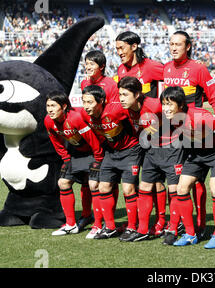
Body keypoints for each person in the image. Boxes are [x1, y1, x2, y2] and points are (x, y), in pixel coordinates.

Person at [163, 30, 215, 238]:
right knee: (176, 178)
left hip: (195, 133)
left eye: (178, 44)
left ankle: (201, 222)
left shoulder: (198, 68)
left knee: (196, 181)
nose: (174, 48)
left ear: (188, 47)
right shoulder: (167, 68)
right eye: (171, 44)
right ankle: (177, 222)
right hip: (174, 132)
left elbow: (213, 96)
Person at [160, 86, 215, 248]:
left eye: (170, 104)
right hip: (196, 153)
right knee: (181, 188)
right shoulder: (171, 117)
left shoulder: (201, 117)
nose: (166, 108)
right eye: (164, 104)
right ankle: (190, 234)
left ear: (181, 105)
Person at [118, 76, 183, 241]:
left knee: (174, 189)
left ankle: (172, 226)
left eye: (125, 95)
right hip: (151, 150)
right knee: (146, 186)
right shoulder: (124, 109)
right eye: (120, 94)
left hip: (171, 149)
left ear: (137, 94)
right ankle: (143, 229)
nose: (121, 99)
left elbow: (179, 116)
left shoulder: (155, 105)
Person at [115, 31, 168, 235]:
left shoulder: (152, 66)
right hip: (135, 134)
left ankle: (161, 221)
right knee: (137, 179)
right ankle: (138, 221)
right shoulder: (121, 69)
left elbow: (172, 83)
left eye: (122, 48)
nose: (119, 52)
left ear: (134, 46)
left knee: (155, 180)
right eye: (117, 48)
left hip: (156, 132)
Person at [80, 85, 142, 240]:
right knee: (103, 187)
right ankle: (110, 227)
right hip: (111, 152)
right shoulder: (84, 115)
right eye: (84, 102)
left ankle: (132, 227)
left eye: (90, 102)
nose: (86, 107)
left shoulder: (116, 109)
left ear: (101, 101)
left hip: (131, 151)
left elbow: (137, 114)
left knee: (128, 189)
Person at [44, 91, 104, 238]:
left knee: (92, 184)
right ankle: (71, 224)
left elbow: (92, 140)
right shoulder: (48, 121)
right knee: (63, 183)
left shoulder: (76, 117)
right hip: (74, 152)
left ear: (64, 106)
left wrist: (98, 159)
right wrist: (66, 158)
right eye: (48, 106)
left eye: (53, 106)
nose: (50, 109)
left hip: (92, 151)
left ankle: (97, 224)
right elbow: (57, 143)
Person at [81, 50, 120, 229]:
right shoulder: (84, 82)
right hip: (94, 139)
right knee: (91, 181)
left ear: (101, 67)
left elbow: (113, 111)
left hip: (110, 137)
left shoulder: (110, 85)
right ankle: (92, 216)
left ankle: (108, 217)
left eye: (92, 64)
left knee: (111, 181)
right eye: (86, 63)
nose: (88, 66)